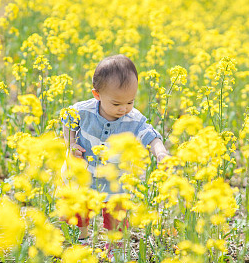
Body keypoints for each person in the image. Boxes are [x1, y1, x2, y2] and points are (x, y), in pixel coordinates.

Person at [61, 54, 169, 245]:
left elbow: (150, 134)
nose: (124, 109)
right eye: (117, 104)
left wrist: (160, 152)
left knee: (117, 217)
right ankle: (83, 236)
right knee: (80, 208)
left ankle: (115, 247)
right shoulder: (83, 111)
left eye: (130, 102)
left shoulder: (133, 119)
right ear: (97, 95)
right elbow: (67, 120)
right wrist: (70, 144)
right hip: (85, 173)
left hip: (116, 179)